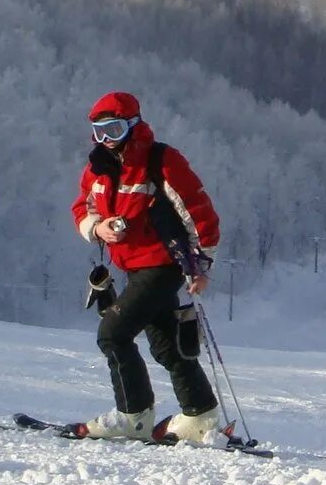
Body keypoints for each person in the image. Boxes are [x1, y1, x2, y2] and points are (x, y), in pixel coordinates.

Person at [71, 91, 225, 443]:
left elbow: (199, 213)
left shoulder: (161, 161)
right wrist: (98, 228)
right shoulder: (98, 168)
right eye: (99, 131)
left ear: (134, 125)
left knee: (113, 333)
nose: (107, 139)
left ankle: (133, 415)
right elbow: (82, 207)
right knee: (168, 345)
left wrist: (200, 266)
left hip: (163, 264)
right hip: (133, 267)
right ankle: (199, 415)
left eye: (114, 128)